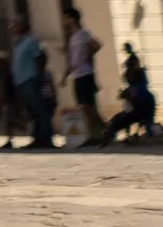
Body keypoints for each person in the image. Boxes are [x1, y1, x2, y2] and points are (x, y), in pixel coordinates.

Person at [9, 16, 55, 149]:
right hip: (22, 81)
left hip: (31, 79)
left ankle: (46, 138)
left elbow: (40, 57)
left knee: (40, 109)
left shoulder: (31, 40)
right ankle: (37, 138)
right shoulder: (18, 42)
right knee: (32, 111)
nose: (12, 27)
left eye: (14, 24)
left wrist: (39, 76)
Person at [63, 8, 105, 146]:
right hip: (77, 75)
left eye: (66, 18)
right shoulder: (72, 37)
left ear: (73, 19)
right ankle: (96, 132)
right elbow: (72, 59)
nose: (64, 21)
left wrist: (88, 56)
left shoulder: (83, 34)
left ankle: (99, 131)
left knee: (88, 106)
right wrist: (65, 75)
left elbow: (97, 44)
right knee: (83, 106)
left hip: (86, 74)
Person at [106, 43, 158, 143]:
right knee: (140, 113)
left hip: (138, 102)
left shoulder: (133, 73)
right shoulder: (138, 72)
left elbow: (129, 91)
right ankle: (146, 132)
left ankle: (130, 133)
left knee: (127, 116)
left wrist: (126, 94)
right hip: (141, 99)